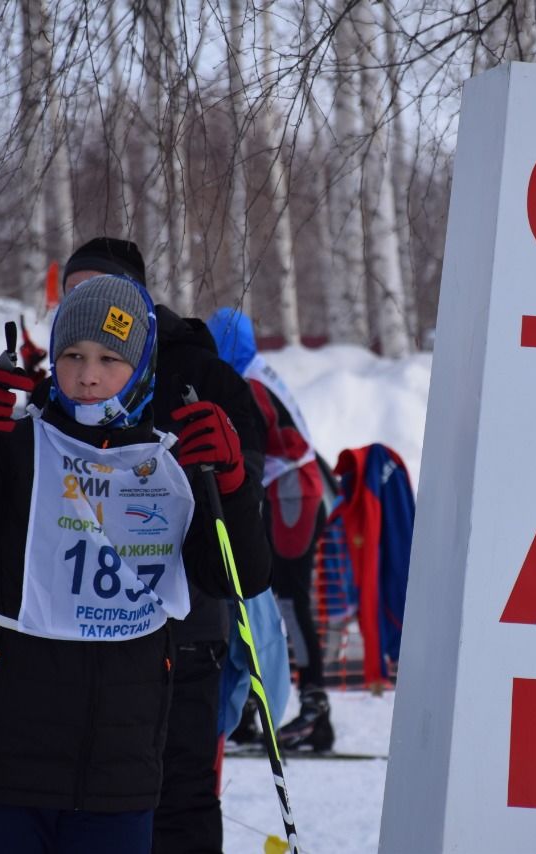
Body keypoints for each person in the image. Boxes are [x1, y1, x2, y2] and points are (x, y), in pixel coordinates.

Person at [0, 275, 270, 854]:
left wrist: (232, 486)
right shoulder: (10, 445)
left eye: (110, 359)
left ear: (141, 369)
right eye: (72, 355)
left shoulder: (171, 460)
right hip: (0, 766)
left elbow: (238, 578)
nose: (88, 376)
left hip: (119, 775)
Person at [57, 238, 268, 854]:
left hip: (186, 626)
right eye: (71, 297)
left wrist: (225, 473)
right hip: (79, 627)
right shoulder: (67, 375)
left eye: (99, 291)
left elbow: (244, 493)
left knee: (178, 794)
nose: (85, 307)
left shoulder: (201, 375)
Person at [206, 307, 334, 752]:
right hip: (292, 489)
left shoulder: (248, 382)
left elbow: (249, 452)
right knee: (267, 598)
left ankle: (315, 708)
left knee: (284, 599)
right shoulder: (255, 369)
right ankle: (250, 707)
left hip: (293, 493)